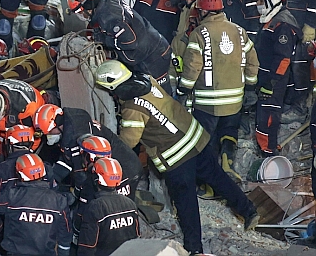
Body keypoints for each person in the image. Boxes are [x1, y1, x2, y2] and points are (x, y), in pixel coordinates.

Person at [94, 60, 259, 254]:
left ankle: (194, 249)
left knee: (186, 205)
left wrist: (106, 139)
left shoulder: (132, 108)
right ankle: (249, 211)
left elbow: (128, 142)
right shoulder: (147, 80)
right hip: (196, 138)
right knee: (219, 179)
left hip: (178, 157)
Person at [178, 0, 259, 181]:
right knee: (229, 132)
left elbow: (192, 66)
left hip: (208, 104)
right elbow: (253, 62)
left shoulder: (199, 34)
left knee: (207, 140)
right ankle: (227, 163)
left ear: (203, 11)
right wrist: (250, 87)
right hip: (235, 102)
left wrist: (183, 89)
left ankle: (210, 180)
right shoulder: (240, 31)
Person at [67, 0, 173, 94]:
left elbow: (130, 42)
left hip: (153, 57)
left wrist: (104, 40)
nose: (82, 15)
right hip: (151, 45)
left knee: (158, 95)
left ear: (88, 5)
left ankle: (176, 108)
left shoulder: (109, 18)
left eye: (80, 12)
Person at [252, 0, 305, 156]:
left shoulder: (282, 25)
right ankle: (264, 148)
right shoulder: (272, 21)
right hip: (266, 79)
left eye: (260, 0)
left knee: (269, 116)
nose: (257, 5)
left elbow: (283, 58)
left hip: (275, 82)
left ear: (272, 0)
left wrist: (271, 82)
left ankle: (269, 151)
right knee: (262, 115)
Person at [0, 79, 45, 171]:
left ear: (5, 108)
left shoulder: (27, 107)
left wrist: (28, 155)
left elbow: (34, 136)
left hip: (29, 113)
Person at [77, 158, 139, 256]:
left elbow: (87, 246)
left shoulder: (95, 208)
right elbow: (136, 238)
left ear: (97, 179)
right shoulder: (131, 204)